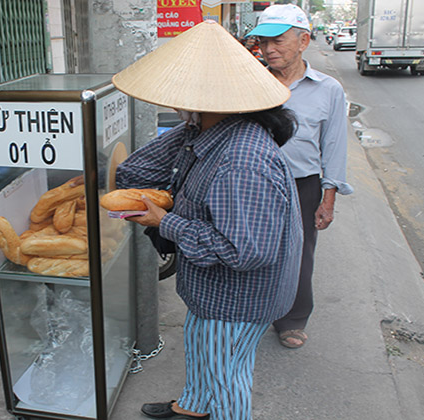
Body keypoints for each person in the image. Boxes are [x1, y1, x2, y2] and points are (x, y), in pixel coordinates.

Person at [111, 20, 303, 420]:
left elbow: (244, 252)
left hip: (238, 298)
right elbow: (133, 173)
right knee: (202, 347)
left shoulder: (242, 160)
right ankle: (193, 407)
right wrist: (187, 129)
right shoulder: (205, 129)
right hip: (215, 290)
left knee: (226, 376)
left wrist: (165, 221)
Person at [247, 4, 353, 349]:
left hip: (301, 184)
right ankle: (251, 310)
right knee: (249, 248)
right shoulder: (251, 81)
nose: (268, 50)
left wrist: (329, 196)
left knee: (299, 252)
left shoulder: (328, 90)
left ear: (303, 40)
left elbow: (334, 145)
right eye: (263, 43)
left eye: (277, 41)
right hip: (252, 182)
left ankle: (292, 319)